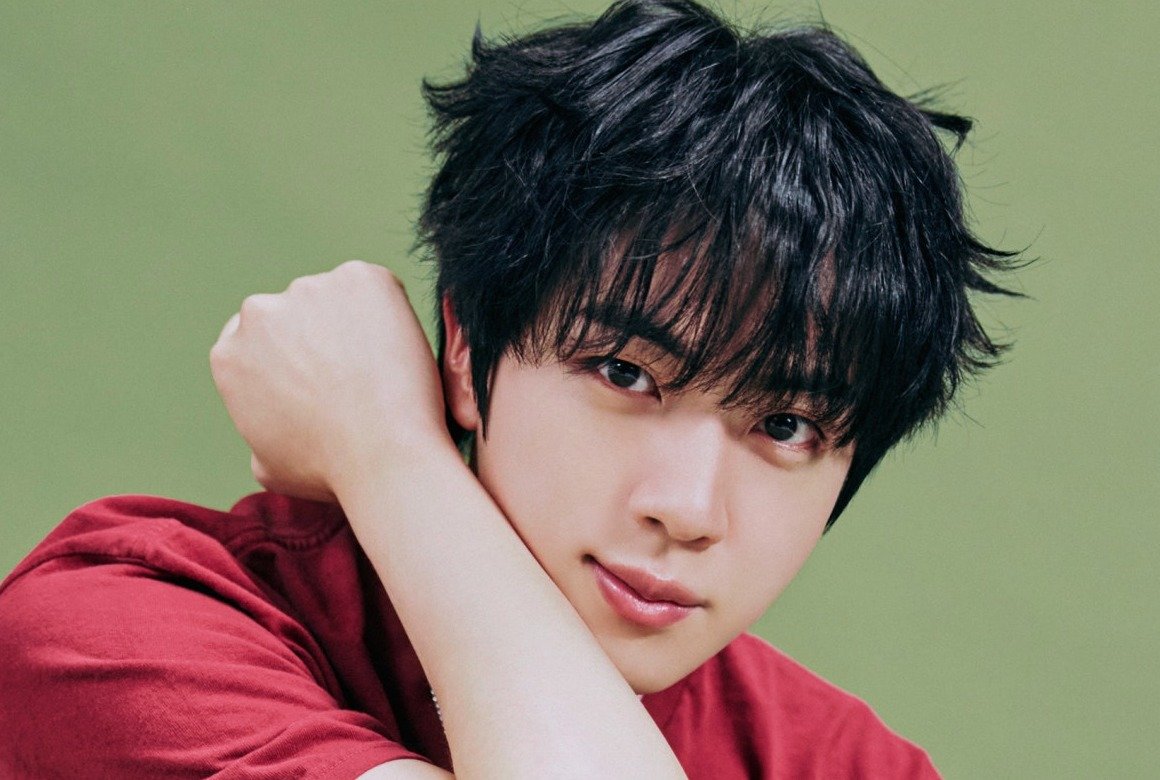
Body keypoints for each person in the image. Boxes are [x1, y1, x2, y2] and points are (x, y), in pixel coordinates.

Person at [0, 0, 1017, 776]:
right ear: (464, 349)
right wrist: (385, 446)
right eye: (625, 372)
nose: (688, 509)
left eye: (787, 425)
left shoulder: (841, 765)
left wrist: (383, 446)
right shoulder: (115, 634)